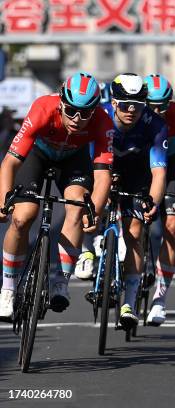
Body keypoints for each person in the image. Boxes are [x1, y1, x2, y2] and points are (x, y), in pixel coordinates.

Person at [0, 72, 113, 321]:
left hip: (73, 159)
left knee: (77, 207)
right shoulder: (43, 108)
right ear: (62, 103)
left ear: (95, 110)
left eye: (85, 113)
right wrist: (3, 201)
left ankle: (61, 282)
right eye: (71, 111)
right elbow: (9, 163)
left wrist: (95, 210)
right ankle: (7, 289)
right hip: (37, 155)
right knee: (22, 217)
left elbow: (103, 176)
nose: (77, 119)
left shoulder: (104, 122)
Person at [103, 73, 168, 328]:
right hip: (103, 166)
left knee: (134, 230)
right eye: (125, 103)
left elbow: (159, 171)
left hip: (138, 173)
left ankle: (128, 302)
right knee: (92, 205)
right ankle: (91, 247)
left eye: (138, 105)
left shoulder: (155, 124)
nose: (131, 110)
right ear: (114, 102)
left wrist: (152, 200)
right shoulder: (102, 117)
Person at [141, 74, 175, 326]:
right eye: (153, 105)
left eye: (164, 105)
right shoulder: (135, 113)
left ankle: (160, 298)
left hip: (170, 168)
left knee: (172, 225)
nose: (159, 111)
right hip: (140, 166)